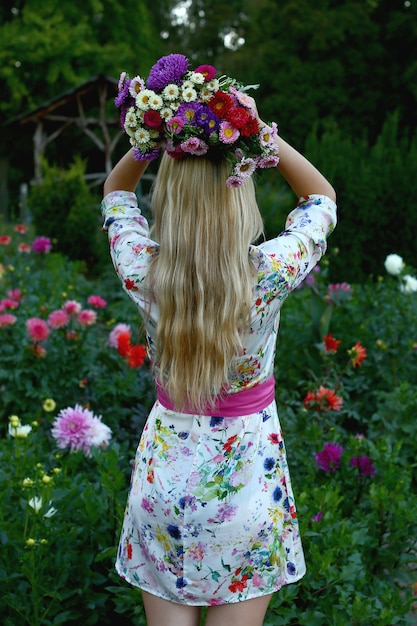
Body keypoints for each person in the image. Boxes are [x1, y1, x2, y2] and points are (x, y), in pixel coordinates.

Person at [101, 54, 336, 626]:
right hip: (246, 489)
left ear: (170, 195)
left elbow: (114, 194)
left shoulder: (145, 270)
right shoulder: (269, 272)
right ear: (240, 193)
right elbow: (322, 199)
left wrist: (154, 130)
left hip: (162, 488)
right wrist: (259, 134)